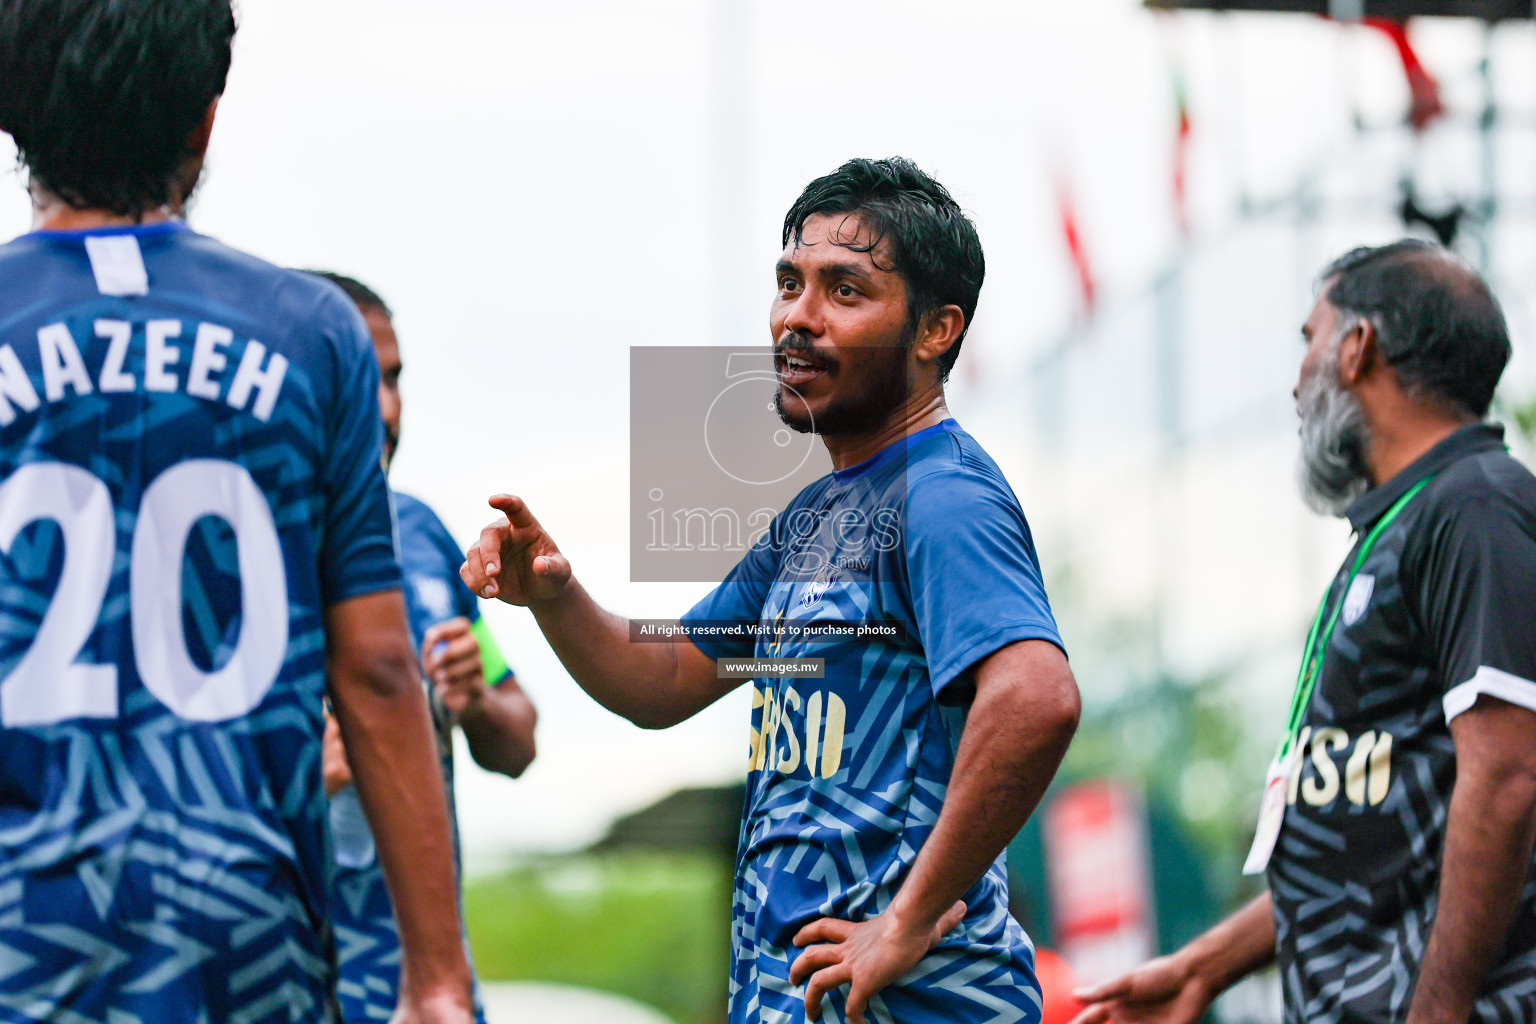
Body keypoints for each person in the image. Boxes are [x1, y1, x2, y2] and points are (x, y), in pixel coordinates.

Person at [462, 156, 1081, 1024]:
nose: (798, 315)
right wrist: (555, 596)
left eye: (844, 291)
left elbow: (1036, 698)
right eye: (790, 283)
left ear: (937, 330)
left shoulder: (943, 494)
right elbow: (670, 674)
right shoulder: (816, 517)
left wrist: (902, 923)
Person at [0, 3, 474, 1021]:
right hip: (243, 935)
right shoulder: (311, 334)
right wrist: (436, 976)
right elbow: (382, 667)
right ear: (204, 121)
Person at [1070, 240, 1536, 1024]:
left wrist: (1439, 1013)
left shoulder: (1475, 507)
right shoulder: (1406, 520)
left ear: (1357, 349)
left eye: (1309, 340)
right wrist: (1201, 969)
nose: (1296, 380)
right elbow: (1365, 847)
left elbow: (1509, 777)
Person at [308, 271, 538, 1024]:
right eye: (357, 378)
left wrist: (476, 703)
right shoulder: (234, 539)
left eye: (395, 379)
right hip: (286, 981)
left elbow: (518, 741)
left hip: (425, 990)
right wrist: (306, 779)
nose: (384, 408)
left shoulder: (419, 535)